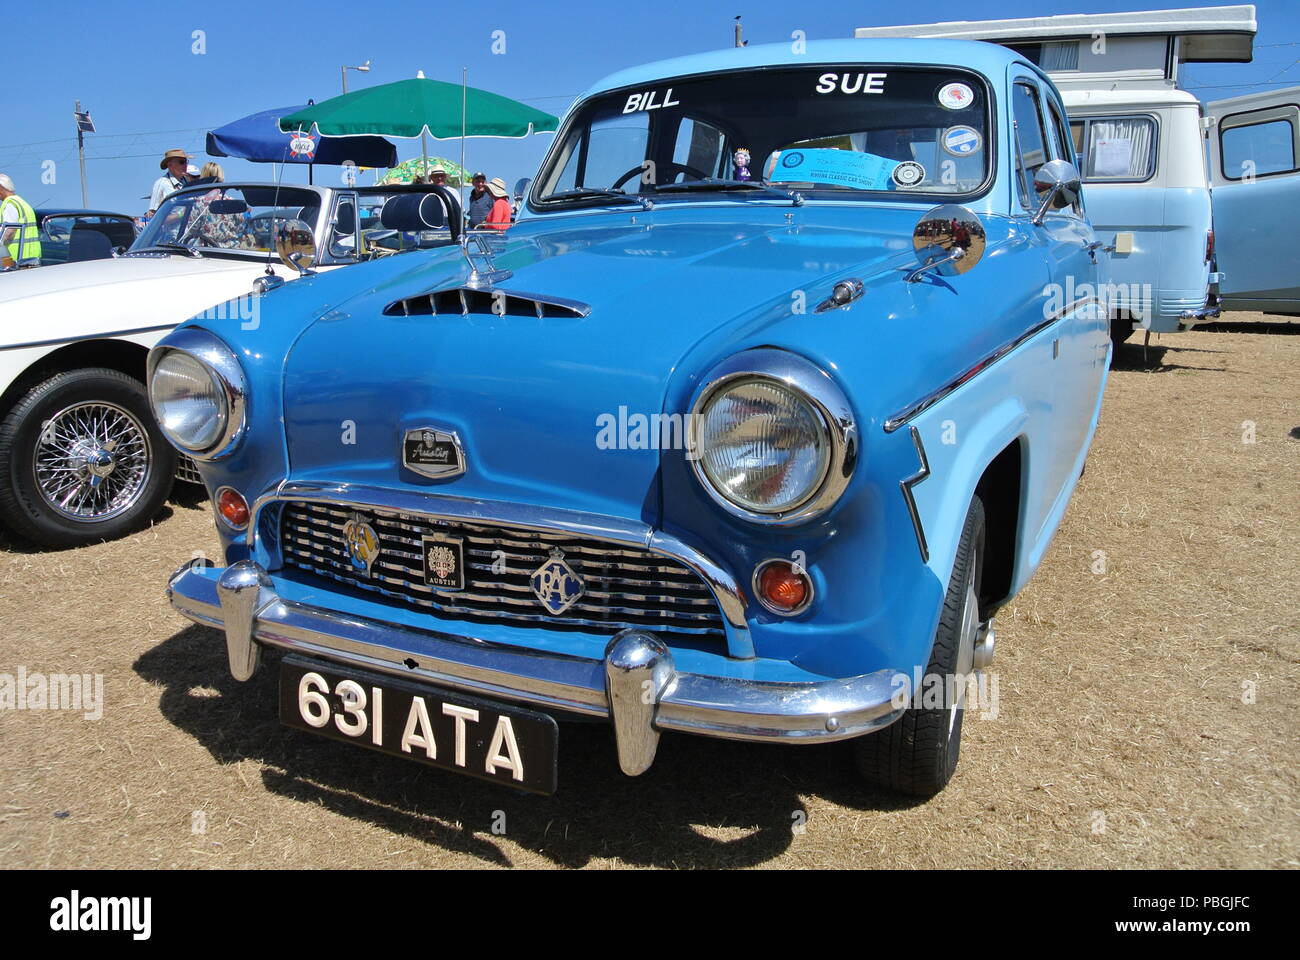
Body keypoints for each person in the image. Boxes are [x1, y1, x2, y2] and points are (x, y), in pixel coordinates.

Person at [0, 173, 42, 268]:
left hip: (17, 260)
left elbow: (9, 231)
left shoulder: (9, 204)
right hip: (32, 258)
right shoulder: (22, 202)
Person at [148, 149, 192, 217]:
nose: (186, 165)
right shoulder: (161, 183)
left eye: (186, 162)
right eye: (182, 162)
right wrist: (181, 215)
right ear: (170, 165)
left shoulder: (188, 181)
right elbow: (153, 215)